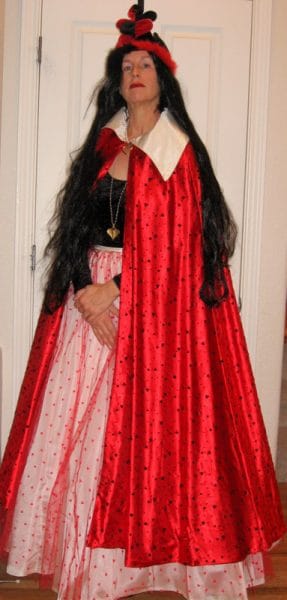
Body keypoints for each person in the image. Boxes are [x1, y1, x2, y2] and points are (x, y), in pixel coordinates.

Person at [0, 3, 285, 599]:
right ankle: (69, 555)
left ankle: (135, 566)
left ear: (163, 78)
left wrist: (119, 292)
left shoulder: (177, 152)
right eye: (126, 63)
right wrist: (84, 291)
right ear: (116, 79)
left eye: (145, 63)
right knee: (69, 431)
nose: (135, 71)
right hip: (87, 310)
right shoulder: (104, 147)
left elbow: (181, 247)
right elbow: (75, 228)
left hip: (159, 314)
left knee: (134, 433)